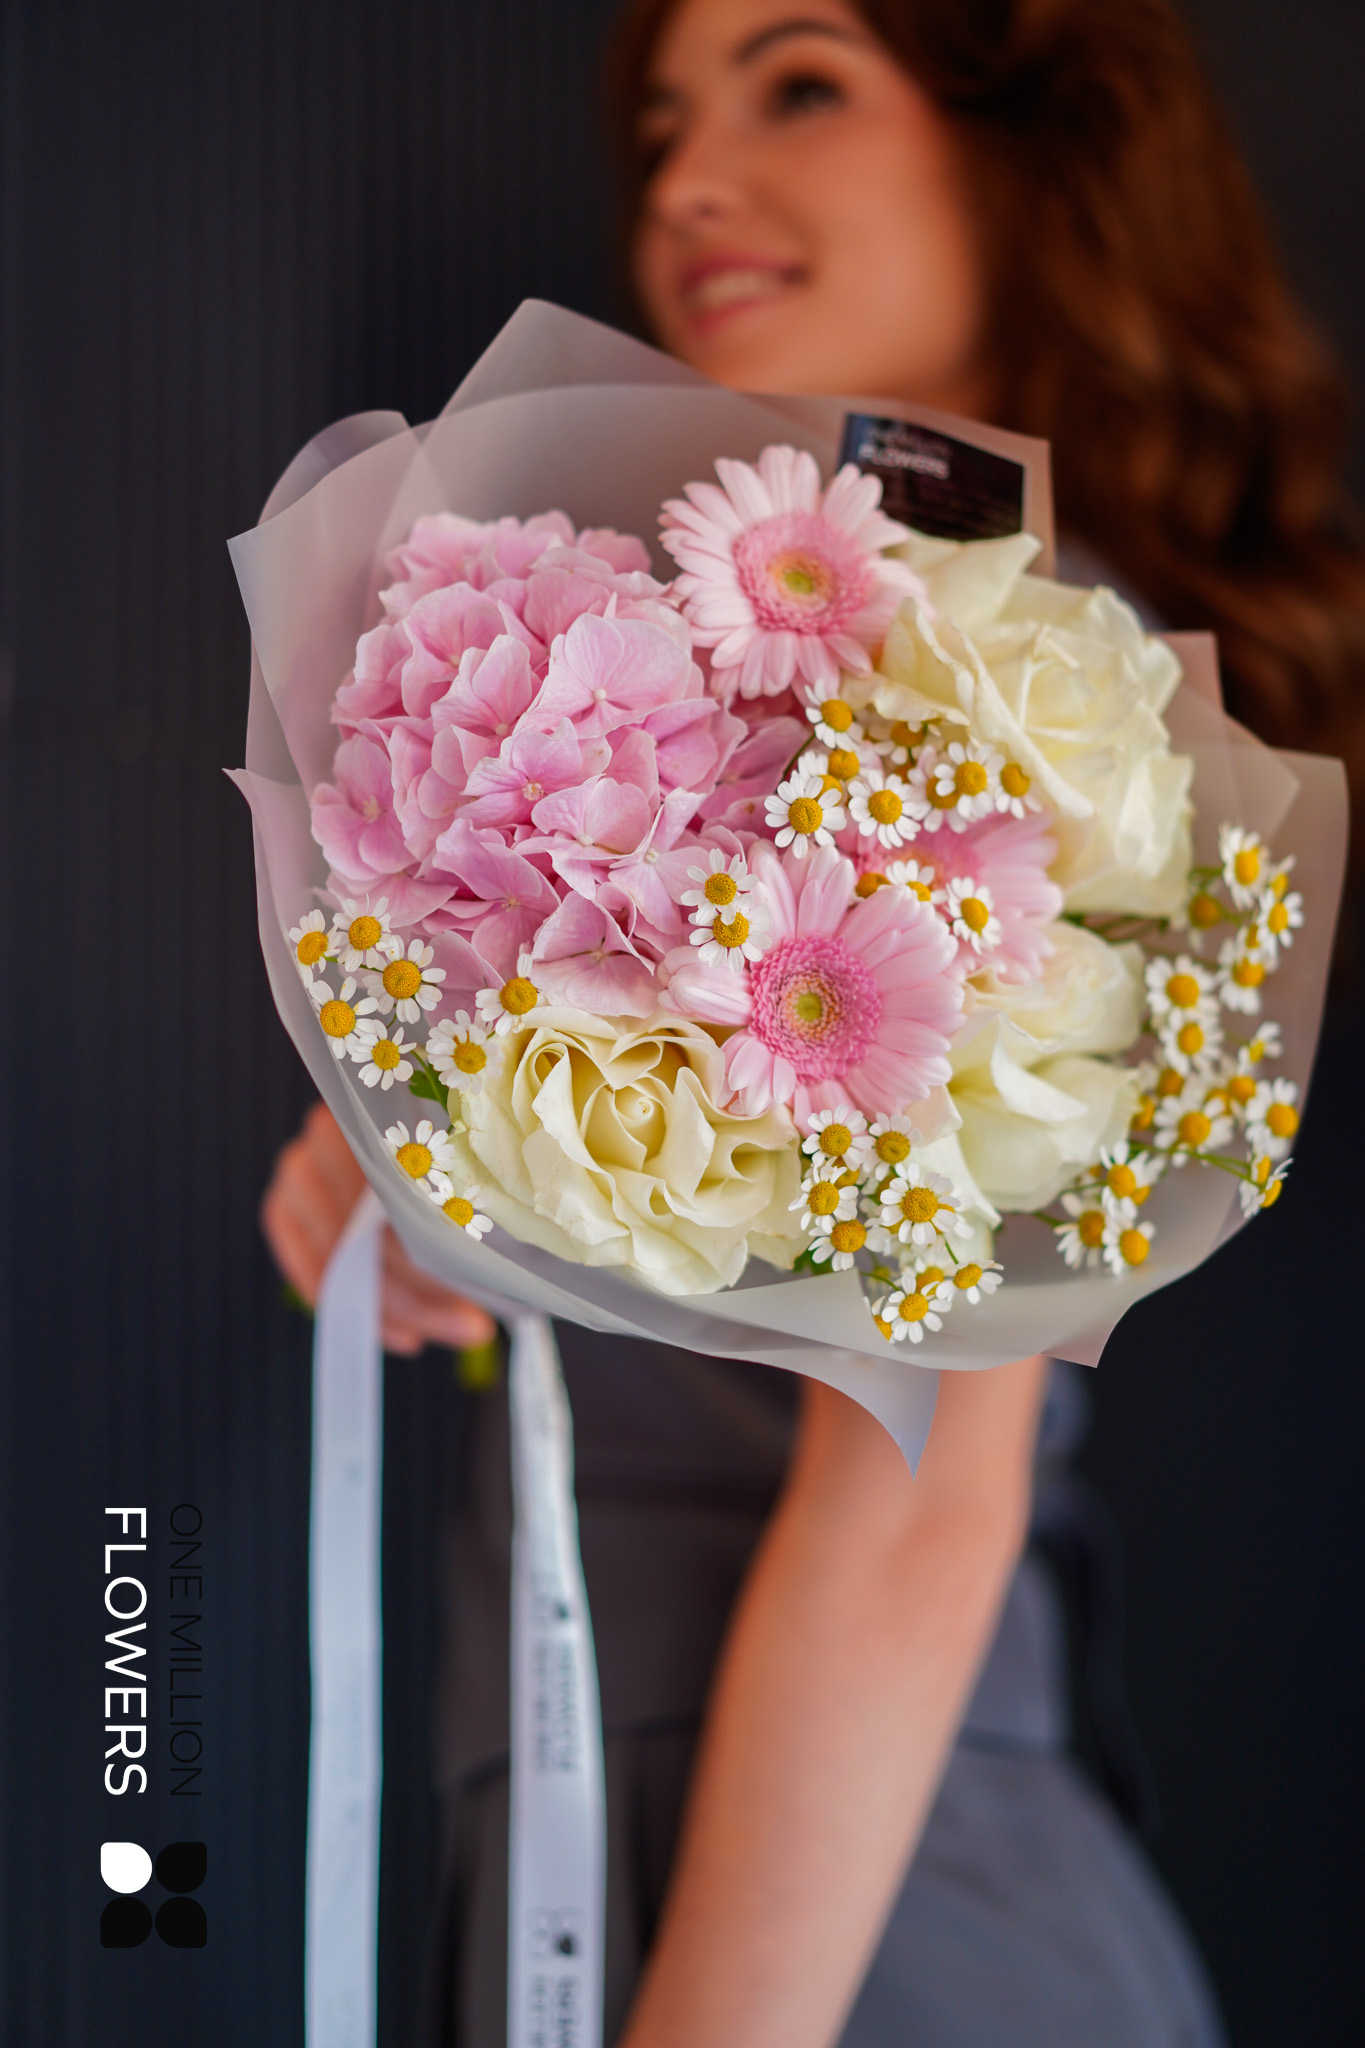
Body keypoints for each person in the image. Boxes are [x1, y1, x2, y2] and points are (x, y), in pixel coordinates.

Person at [263, 2, 1365, 2041]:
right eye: (661, 126)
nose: (690, 181)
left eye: (798, 85)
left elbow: (914, 1493)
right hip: (632, 1827)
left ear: (1031, 153)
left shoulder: (1027, 688)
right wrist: (445, 1175)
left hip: (834, 1897)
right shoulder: (750, 690)